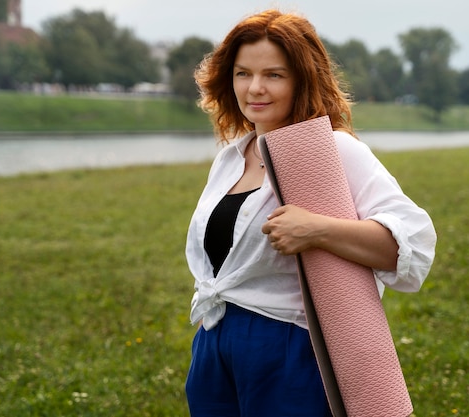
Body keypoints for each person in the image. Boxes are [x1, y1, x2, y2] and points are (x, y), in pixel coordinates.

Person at [184, 9, 436, 417]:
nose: (255, 88)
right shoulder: (231, 157)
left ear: (303, 78)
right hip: (214, 343)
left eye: (275, 75)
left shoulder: (335, 151)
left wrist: (318, 230)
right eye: (243, 73)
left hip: (287, 347)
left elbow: (413, 246)